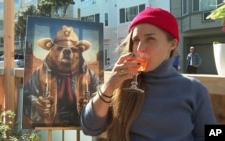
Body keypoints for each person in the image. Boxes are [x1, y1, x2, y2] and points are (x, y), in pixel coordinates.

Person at [80, 7, 216, 141]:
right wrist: (108, 87)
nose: (140, 48)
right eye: (136, 40)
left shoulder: (194, 89)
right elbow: (89, 128)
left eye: (150, 39)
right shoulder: (122, 84)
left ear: (172, 44)